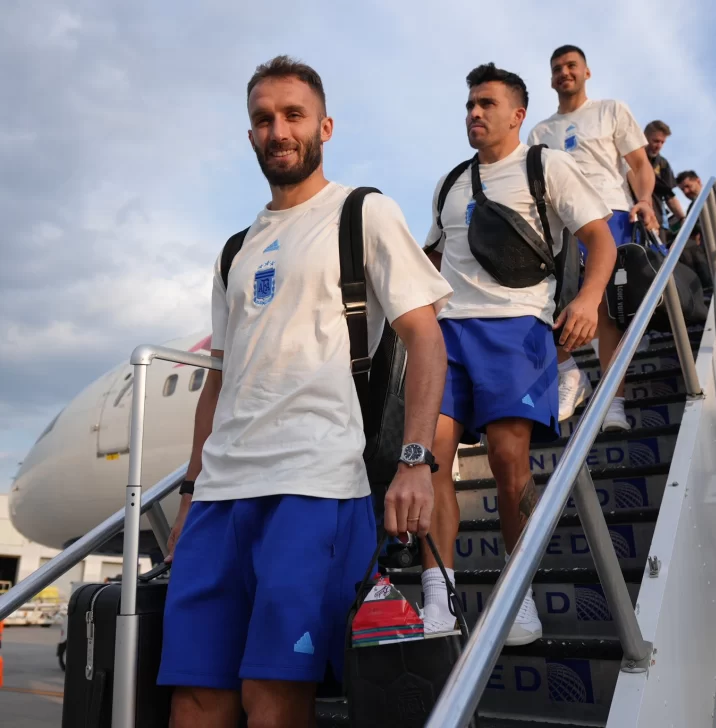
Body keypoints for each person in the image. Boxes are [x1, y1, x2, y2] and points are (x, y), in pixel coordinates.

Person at [156, 55, 453, 728]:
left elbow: (426, 340)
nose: (278, 130)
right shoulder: (235, 249)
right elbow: (220, 381)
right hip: (219, 502)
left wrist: (415, 461)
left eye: (292, 115)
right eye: (263, 119)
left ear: (324, 125)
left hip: (315, 488)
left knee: (273, 696)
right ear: (251, 134)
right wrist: (191, 488)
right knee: (196, 700)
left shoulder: (363, 213)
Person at [422, 63, 615, 644]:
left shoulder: (545, 166)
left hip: (516, 331)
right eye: (468, 106)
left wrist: (586, 299)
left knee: (510, 466)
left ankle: (519, 593)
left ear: (517, 115)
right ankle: (440, 595)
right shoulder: (452, 181)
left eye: (485, 104)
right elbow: (431, 262)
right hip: (449, 333)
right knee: (431, 457)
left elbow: (600, 240)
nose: (474, 114)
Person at [528, 45, 659, 430]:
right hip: (562, 225)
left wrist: (646, 200)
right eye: (556, 68)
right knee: (543, 301)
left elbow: (638, 164)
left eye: (571, 66)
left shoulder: (610, 110)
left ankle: (613, 402)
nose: (564, 72)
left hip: (608, 211)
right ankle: (572, 373)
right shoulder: (540, 131)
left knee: (604, 308)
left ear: (586, 72)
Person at [676, 170, 716, 288]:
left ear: (698, 181)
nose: (686, 191)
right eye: (682, 190)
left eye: (688, 186)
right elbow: (691, 234)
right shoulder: (691, 209)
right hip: (709, 254)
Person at [643, 120, 685, 240]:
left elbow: (669, 195)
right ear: (644, 137)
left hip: (656, 219)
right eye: (656, 141)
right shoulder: (631, 156)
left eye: (662, 142)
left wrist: (682, 218)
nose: (659, 146)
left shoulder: (662, 164)